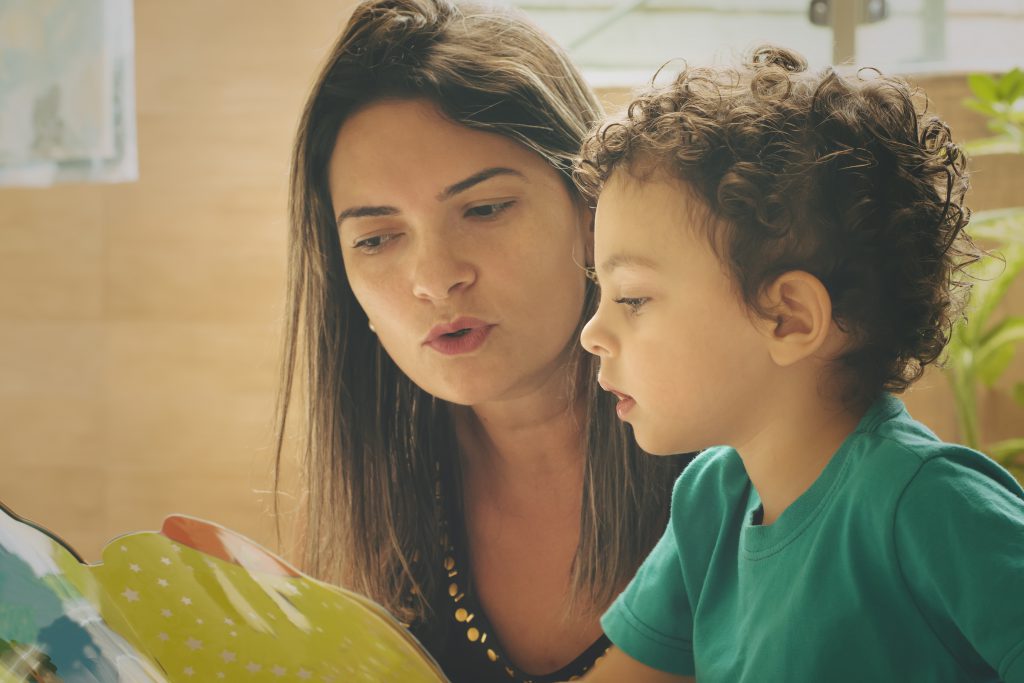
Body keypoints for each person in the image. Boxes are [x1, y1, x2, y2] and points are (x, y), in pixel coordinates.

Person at [574, 46, 1024, 682]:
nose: (594, 332)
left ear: (788, 318)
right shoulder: (712, 499)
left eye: (633, 299)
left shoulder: (928, 504)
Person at [274, 1, 688, 681]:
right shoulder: (377, 522)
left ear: (591, 213)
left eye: (485, 209)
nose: (436, 279)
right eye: (376, 239)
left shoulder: (739, 464)